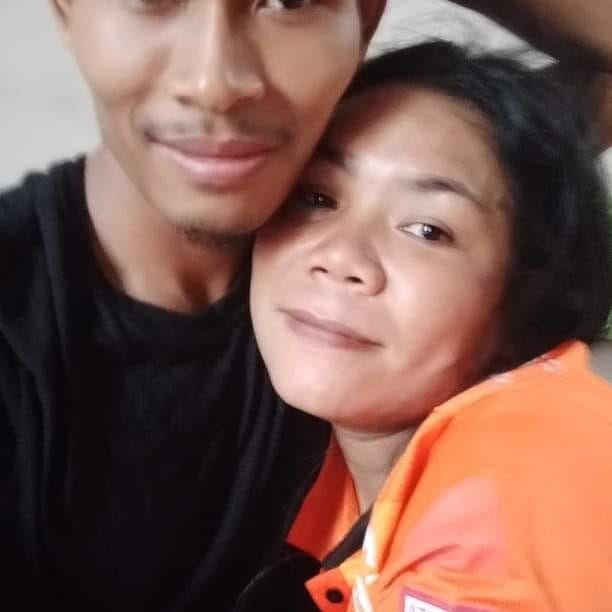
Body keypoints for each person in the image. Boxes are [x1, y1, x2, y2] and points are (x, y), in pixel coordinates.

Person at [1, 0, 612, 610]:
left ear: (364, 17)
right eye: (318, 198)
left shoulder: (523, 464)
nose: (214, 83)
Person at [248, 41, 612, 611]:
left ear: (526, 297)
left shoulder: (524, 472)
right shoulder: (336, 474)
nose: (341, 256)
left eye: (427, 231)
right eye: (316, 196)